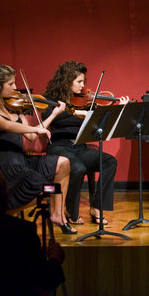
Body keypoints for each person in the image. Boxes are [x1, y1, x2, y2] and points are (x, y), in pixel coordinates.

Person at [0, 64, 76, 234]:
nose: (15, 88)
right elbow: (5, 125)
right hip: (3, 165)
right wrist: (35, 129)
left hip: (22, 160)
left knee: (63, 163)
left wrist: (54, 114)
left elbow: (30, 137)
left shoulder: (14, 107)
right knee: (44, 187)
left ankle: (57, 215)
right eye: (11, 84)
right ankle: (6, 212)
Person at [42, 61, 129, 225]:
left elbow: (99, 122)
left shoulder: (84, 102)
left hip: (79, 148)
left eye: (83, 81)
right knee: (78, 168)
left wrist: (118, 110)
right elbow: (55, 118)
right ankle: (70, 211)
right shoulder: (51, 101)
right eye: (79, 81)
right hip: (59, 148)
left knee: (109, 161)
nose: (83, 86)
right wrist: (77, 113)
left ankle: (97, 207)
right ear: (67, 81)